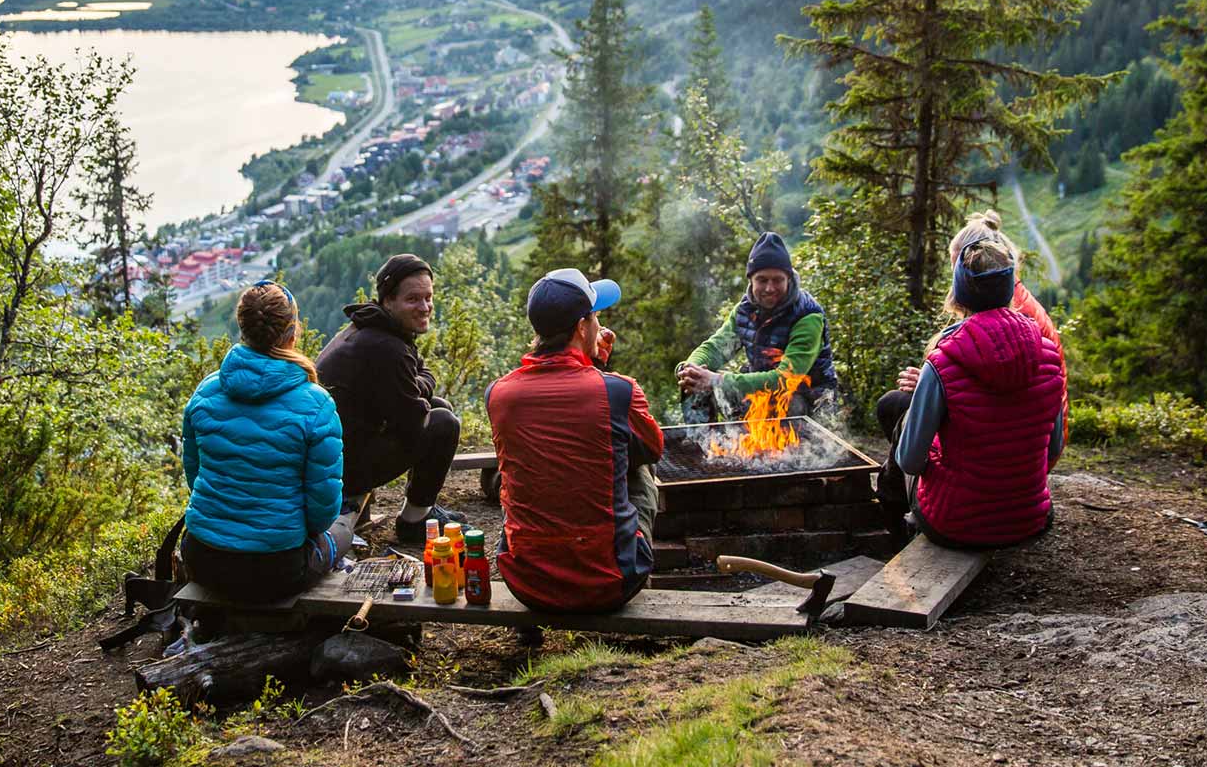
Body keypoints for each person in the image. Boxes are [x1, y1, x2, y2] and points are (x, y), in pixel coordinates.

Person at [487, 268, 663, 613]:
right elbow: (652, 449)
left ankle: (527, 632)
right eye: (596, 316)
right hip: (610, 583)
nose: (599, 324)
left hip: (527, 584)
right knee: (640, 473)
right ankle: (644, 589)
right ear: (583, 327)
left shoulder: (499, 393)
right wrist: (599, 368)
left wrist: (590, 363)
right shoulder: (618, 390)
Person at [877, 231, 1067, 547]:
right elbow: (1052, 448)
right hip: (1029, 519)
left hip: (955, 525)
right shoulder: (1047, 354)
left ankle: (896, 530)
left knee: (902, 427)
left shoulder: (943, 361)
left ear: (960, 294)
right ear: (1010, 289)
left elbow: (910, 461)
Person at [180, 281, 354, 604]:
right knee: (344, 527)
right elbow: (322, 510)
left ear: (242, 330)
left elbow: (195, 474)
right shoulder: (316, 404)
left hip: (203, 558)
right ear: (293, 333)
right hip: (277, 570)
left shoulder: (205, 392)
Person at [315, 253, 465, 545]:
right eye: (413, 299)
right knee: (444, 422)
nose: (425, 307)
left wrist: (419, 384)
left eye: (428, 298)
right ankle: (414, 522)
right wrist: (423, 383)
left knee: (439, 408)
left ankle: (420, 509)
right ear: (388, 300)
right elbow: (413, 418)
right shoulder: (385, 346)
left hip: (335, 455)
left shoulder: (369, 327)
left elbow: (415, 377)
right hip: (342, 471)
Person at [884, 211, 1063, 411]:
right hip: (1037, 420)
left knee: (893, 406)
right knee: (895, 402)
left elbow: (1002, 386)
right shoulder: (1006, 298)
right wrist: (933, 381)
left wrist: (935, 385)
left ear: (977, 261)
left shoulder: (1017, 310)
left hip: (1023, 420)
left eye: (957, 269)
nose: (954, 280)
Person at [676, 232, 838, 421]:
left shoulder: (808, 316)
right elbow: (715, 348)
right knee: (694, 383)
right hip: (762, 394)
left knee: (788, 403)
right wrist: (689, 369)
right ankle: (705, 444)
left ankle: (790, 450)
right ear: (751, 280)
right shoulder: (744, 311)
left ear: (789, 280)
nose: (770, 288)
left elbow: (786, 380)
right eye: (762, 280)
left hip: (809, 400)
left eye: (777, 280)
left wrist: (716, 381)